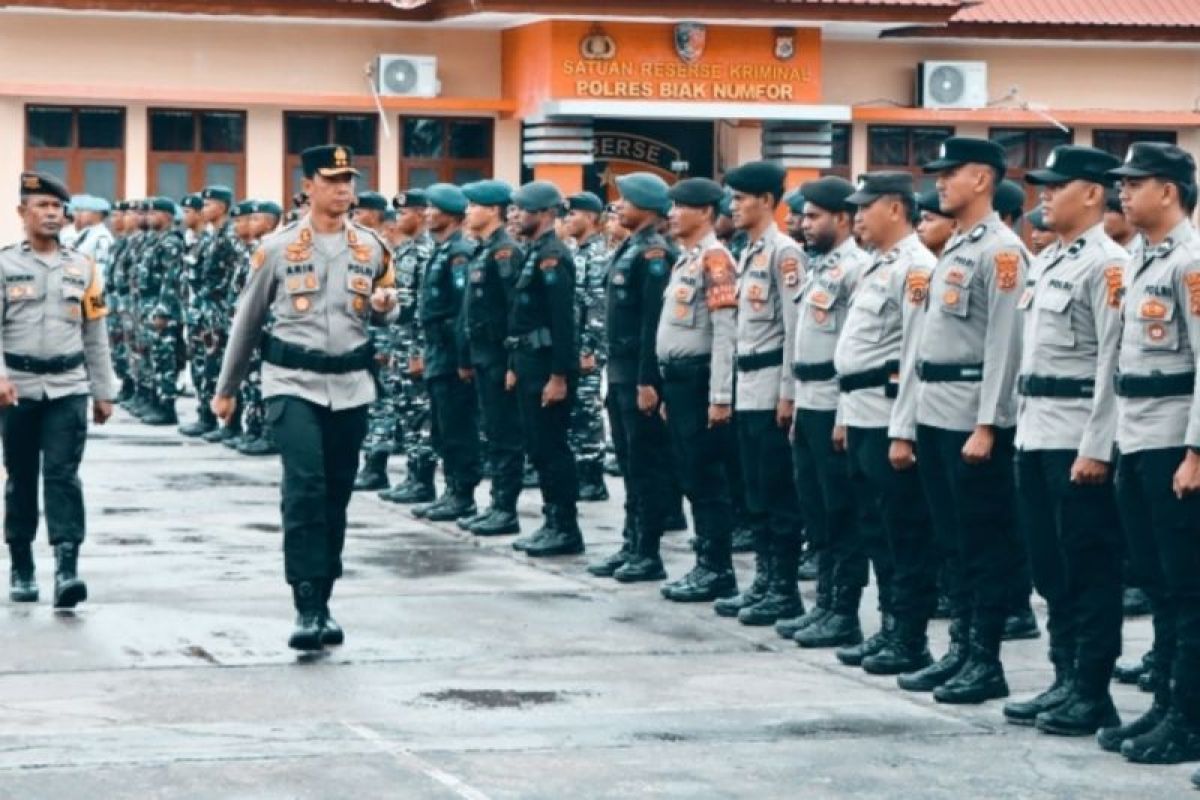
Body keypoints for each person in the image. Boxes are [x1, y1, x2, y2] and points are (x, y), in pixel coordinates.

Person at [215, 146, 396, 652]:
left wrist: (386, 307)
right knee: (305, 488)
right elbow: (247, 321)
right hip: (291, 383)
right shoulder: (277, 247)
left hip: (352, 386)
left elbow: (386, 306)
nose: (344, 189)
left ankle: (327, 596)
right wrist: (226, 388)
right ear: (308, 187)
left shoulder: (372, 248)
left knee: (336, 492)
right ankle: (306, 601)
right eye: (332, 179)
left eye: (349, 180)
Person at [899, 137, 1029, 705]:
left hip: (970, 418)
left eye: (949, 173)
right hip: (935, 411)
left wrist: (989, 424)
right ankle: (958, 650)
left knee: (982, 544)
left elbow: (1005, 345)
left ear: (982, 179)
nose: (939, 183)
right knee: (951, 542)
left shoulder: (1002, 251)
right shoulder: (955, 247)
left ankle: (985, 659)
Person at [1002, 145, 1126, 736]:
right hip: (1036, 431)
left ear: (1094, 193)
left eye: (1056, 186)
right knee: (1050, 569)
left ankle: (1091, 689)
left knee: (1087, 568)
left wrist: (1097, 446)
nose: (1043, 196)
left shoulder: (1107, 265)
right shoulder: (1050, 260)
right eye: (1042, 186)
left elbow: (1111, 364)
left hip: (1076, 436)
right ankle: (1064, 677)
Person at [1098, 142, 1200, 767]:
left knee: (1187, 589)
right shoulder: (1140, 258)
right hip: (1136, 436)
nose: (1123, 194)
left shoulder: (1190, 262)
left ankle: (1189, 718)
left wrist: (1196, 451)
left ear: (1169, 190)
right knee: (1158, 585)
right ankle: (1166, 702)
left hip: (1172, 444)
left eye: (1135, 184)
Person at [834, 172, 940, 676]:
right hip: (859, 412)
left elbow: (915, 355)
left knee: (905, 532)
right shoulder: (878, 266)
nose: (856, 215)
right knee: (876, 529)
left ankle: (910, 636)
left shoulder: (916, 268)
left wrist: (903, 430)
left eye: (865, 206)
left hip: (887, 415)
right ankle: (889, 628)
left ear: (895, 208)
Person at [2, 172, 117, 607]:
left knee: (63, 477)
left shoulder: (83, 268)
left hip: (68, 387)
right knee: (21, 478)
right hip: (18, 389)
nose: (51, 214)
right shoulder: (5, 264)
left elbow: (96, 333)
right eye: (42, 207)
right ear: (22, 213)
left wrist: (103, 391)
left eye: (57, 207)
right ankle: (22, 565)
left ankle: (67, 569)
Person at [782, 176, 873, 650]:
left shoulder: (857, 268)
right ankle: (822, 605)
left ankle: (844, 611)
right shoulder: (820, 267)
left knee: (842, 513)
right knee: (816, 510)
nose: (804, 223)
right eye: (805, 215)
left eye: (815, 216)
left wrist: (842, 414)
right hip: (810, 399)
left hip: (837, 402)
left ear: (842, 218)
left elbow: (852, 348)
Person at [712, 161, 805, 626]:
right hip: (747, 387)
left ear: (767, 201)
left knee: (776, 493)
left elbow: (794, 332)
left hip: (771, 388)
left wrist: (788, 394)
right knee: (754, 494)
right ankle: (764, 582)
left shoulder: (785, 254)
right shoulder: (748, 252)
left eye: (741, 198)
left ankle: (784, 588)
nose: (733, 205)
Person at [586, 173, 675, 583]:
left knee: (646, 465)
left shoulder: (654, 254)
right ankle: (631, 542)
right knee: (628, 463)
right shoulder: (630, 247)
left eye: (625, 200)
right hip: (619, 371)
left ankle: (648, 551)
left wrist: (647, 381)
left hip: (638, 375)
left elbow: (652, 325)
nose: (617, 206)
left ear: (648, 206)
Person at [656, 177, 739, 603]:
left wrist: (720, 397)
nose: (670, 214)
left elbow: (726, 333)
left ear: (705, 211)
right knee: (690, 475)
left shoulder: (716, 260)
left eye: (679, 206)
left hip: (700, 380)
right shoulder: (686, 259)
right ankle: (706, 563)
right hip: (679, 383)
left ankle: (716, 568)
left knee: (706, 479)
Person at [505, 181, 583, 557]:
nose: (516, 215)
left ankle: (564, 527)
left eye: (523, 209)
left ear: (546, 214)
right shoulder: (533, 252)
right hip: (528, 362)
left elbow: (563, 323)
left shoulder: (554, 256)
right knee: (537, 447)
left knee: (552, 448)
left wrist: (559, 376)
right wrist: (514, 365)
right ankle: (552, 522)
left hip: (546, 365)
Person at [457, 180, 525, 536]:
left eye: (474, 205)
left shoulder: (505, 253)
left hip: (500, 356)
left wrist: (513, 363)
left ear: (493, 210)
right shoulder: (485, 250)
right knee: (493, 432)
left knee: (505, 434)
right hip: (483, 354)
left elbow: (516, 311)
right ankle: (496, 503)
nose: (467, 212)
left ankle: (505, 509)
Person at [412, 184, 482, 523]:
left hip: (453, 355)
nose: (426, 213)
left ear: (451, 215)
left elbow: (461, 312)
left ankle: (463, 494)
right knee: (442, 428)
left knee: (458, 428)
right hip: (439, 352)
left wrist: (462, 360)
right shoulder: (441, 251)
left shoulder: (459, 253)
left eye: (432, 208)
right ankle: (451, 490)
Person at [379, 190, 439, 504]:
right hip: (400, 343)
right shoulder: (405, 252)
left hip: (416, 346)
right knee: (405, 410)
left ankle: (424, 480)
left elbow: (424, 309)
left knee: (421, 414)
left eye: (404, 214)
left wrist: (418, 351)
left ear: (419, 214)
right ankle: (412, 475)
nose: (399, 219)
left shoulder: (426, 252)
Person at [562, 191, 611, 502]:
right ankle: (582, 472)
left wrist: (589, 349)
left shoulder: (597, 256)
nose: (567, 221)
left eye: (573, 215)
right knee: (576, 410)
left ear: (591, 218)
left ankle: (593, 476)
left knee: (587, 409)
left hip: (587, 346)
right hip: (574, 343)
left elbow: (598, 305)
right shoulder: (575, 252)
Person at [351, 191, 400, 490]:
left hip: (391, 340)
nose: (355, 217)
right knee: (371, 402)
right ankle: (370, 462)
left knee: (386, 404)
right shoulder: (361, 248)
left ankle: (376, 466)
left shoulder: (387, 250)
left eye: (361, 212)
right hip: (366, 337)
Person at [196, 186, 243, 444]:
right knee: (211, 366)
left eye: (208, 205)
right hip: (210, 310)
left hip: (223, 311)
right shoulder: (213, 235)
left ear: (223, 207)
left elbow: (233, 278)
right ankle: (213, 418)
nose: (204, 210)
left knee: (227, 367)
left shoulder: (231, 237)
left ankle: (232, 423)